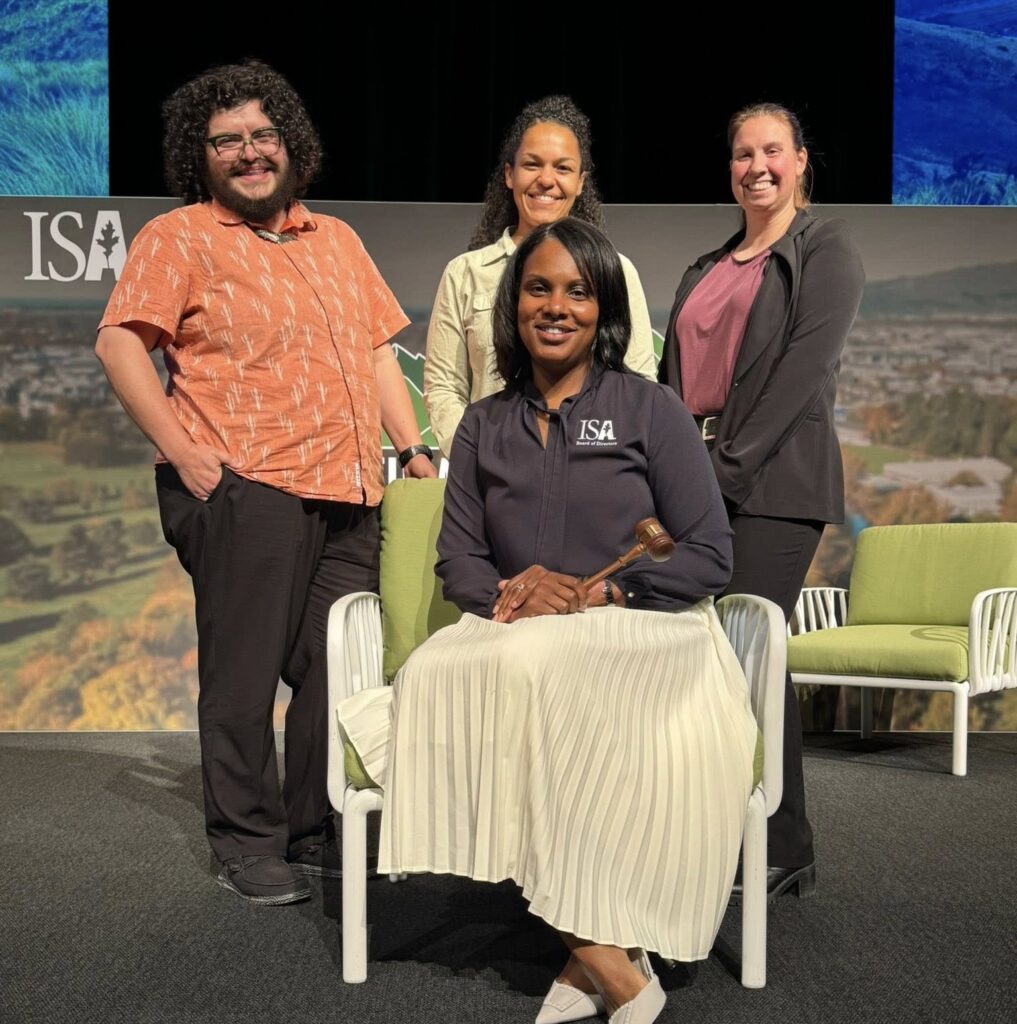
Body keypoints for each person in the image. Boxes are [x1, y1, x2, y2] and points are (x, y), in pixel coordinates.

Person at [340, 219, 756, 1024]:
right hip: (519, 631)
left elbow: (709, 555)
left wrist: (603, 594)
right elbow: (456, 560)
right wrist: (510, 593)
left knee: (541, 679)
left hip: (644, 629)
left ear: (601, 309)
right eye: (538, 288)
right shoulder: (486, 425)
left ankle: (593, 963)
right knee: (434, 674)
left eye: (577, 290)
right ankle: (608, 959)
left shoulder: (650, 410)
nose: (556, 305)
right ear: (513, 304)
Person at [95, 60, 436, 906]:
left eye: (261, 135)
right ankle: (245, 842)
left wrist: (414, 447)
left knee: (334, 666)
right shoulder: (178, 239)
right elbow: (118, 344)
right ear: (198, 156)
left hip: (350, 492)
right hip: (247, 487)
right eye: (226, 142)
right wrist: (187, 453)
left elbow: (373, 352)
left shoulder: (339, 241)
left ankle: (310, 827)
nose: (248, 153)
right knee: (244, 675)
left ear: (290, 142)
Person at [658, 102, 865, 899]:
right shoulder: (707, 265)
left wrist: (726, 472)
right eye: (742, 154)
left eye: (771, 151)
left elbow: (799, 375)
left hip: (773, 482)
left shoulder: (826, 247)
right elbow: (672, 384)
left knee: (750, 652)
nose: (756, 167)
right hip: (696, 476)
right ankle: (738, 833)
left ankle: (779, 844)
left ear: (801, 160)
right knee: (703, 659)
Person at [423, 95, 656, 459]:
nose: (546, 180)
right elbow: (443, 387)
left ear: (580, 183)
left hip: (590, 473)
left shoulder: (617, 270)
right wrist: (479, 455)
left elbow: (639, 380)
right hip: (494, 480)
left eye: (562, 168)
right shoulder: (465, 274)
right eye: (532, 164)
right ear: (509, 174)